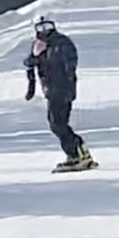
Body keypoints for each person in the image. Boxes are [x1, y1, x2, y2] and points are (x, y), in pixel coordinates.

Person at [24, 16, 95, 173]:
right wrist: (34, 58)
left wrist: (66, 79)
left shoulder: (62, 43)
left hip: (62, 89)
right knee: (56, 123)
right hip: (51, 90)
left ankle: (81, 153)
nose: (44, 31)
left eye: (47, 26)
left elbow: (69, 63)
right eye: (40, 28)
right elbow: (31, 62)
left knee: (58, 124)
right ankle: (73, 155)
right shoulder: (40, 45)